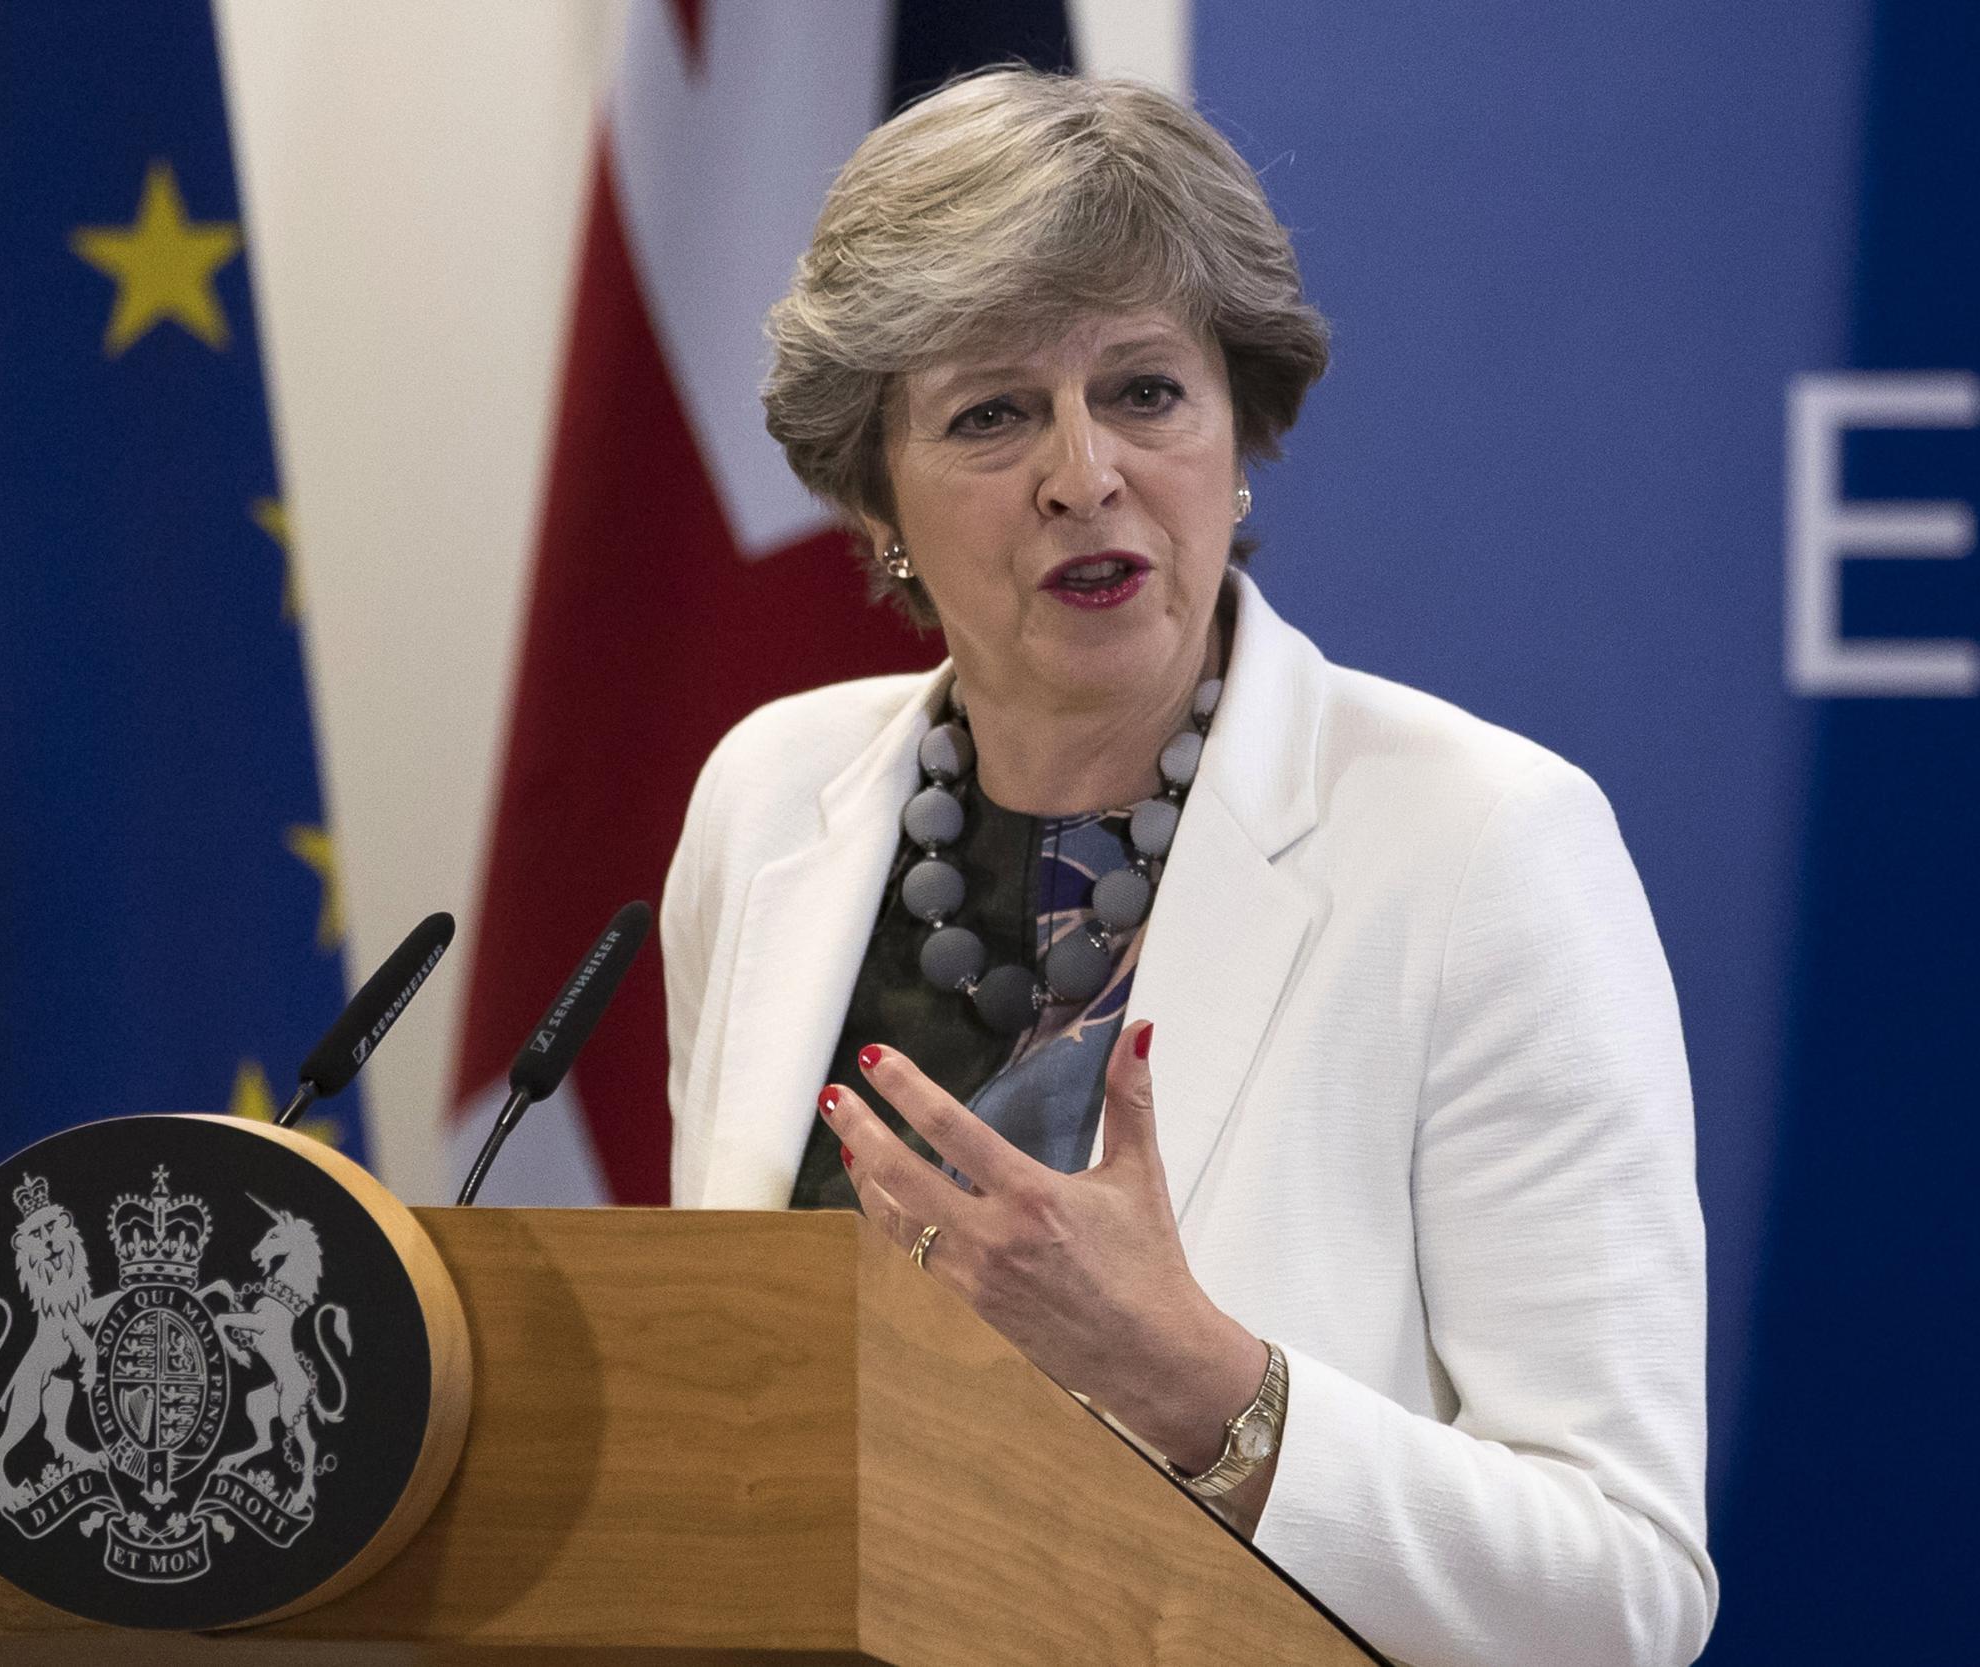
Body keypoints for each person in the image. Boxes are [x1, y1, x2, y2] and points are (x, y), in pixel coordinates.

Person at [660, 67, 1715, 1667]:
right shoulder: (771, 798)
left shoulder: (1480, 843)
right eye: (993, 413)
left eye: (1145, 390)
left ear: (1240, 435)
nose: (1084, 471)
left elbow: (1621, 1597)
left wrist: (1203, 1386)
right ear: (876, 499)